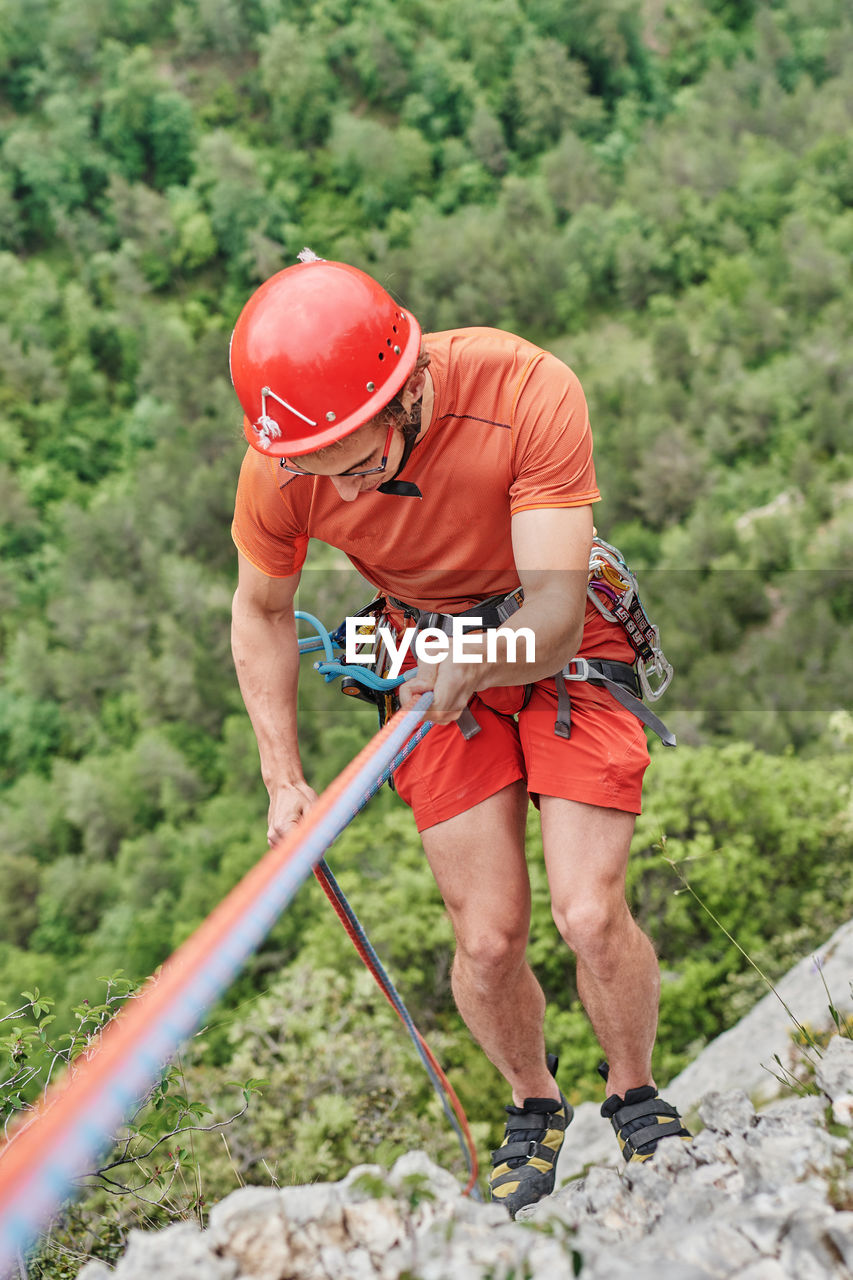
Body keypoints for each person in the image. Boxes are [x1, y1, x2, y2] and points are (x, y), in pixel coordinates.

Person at [228, 252, 690, 1217]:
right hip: (423, 639)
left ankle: (634, 1091)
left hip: (554, 628)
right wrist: (283, 779)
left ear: (406, 396)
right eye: (320, 474)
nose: (343, 499)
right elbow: (262, 611)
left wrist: (473, 663)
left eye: (358, 468)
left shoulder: (523, 387)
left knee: (589, 913)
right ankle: (533, 1104)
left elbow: (557, 613)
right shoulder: (287, 463)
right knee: (484, 942)